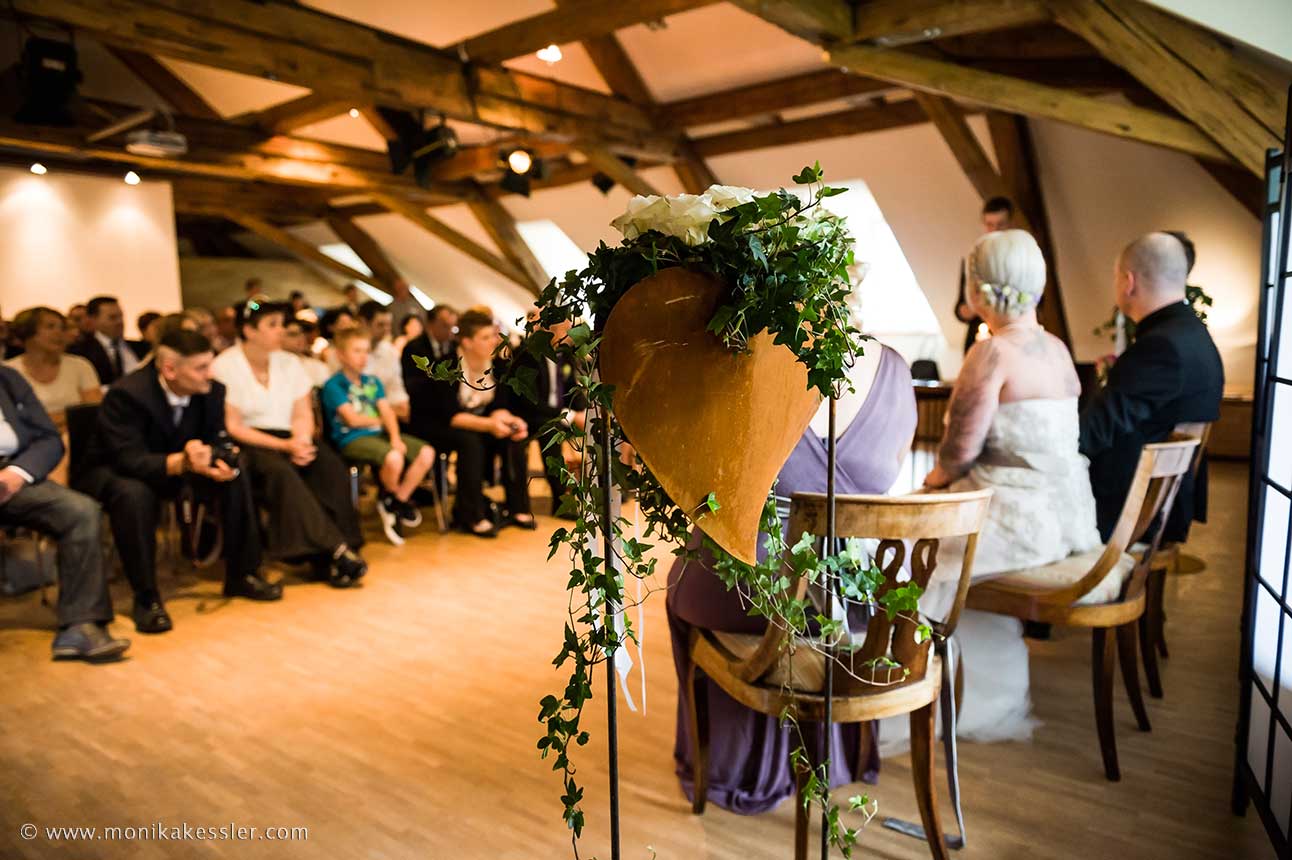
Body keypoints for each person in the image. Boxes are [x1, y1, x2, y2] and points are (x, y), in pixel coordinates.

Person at [668, 340, 916, 812]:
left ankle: (736, 765)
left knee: (683, 583)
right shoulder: (895, 370)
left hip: (759, 592)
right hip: (862, 595)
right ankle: (835, 762)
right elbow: (893, 472)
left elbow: (706, 477)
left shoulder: (743, 364)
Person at [919, 228, 1100, 743]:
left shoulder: (992, 352)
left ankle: (914, 689)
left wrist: (930, 487)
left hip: (1017, 523)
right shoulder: (1060, 350)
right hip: (1068, 517)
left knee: (911, 549)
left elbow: (959, 450)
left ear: (979, 290)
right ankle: (988, 688)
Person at [75, 329, 282, 634]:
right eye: (200, 368)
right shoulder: (128, 394)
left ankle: (242, 574)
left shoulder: (212, 391)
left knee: (236, 474)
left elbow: (215, 439)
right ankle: (146, 598)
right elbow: (126, 459)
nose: (209, 374)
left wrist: (215, 461)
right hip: (115, 471)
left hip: (180, 465)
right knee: (134, 495)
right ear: (170, 369)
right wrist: (182, 462)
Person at [1080, 232, 1223, 542]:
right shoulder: (1193, 335)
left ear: (1128, 282)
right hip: (1160, 500)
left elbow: (1092, 433)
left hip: (1128, 512)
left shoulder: (1160, 347)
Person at [212, 299, 367, 588]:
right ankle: (335, 551)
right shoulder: (225, 365)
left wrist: (301, 440)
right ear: (249, 330)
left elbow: (302, 411)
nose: (281, 331)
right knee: (280, 474)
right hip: (251, 441)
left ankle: (344, 550)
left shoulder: (290, 362)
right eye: (272, 325)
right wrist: (284, 447)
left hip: (291, 435)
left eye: (281, 324)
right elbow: (233, 425)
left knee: (329, 466)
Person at [0, 365, 129, 661]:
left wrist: (17, 473)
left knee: (80, 510)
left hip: (11, 475)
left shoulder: (7, 378)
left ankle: (81, 625)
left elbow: (48, 437)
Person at [402, 309, 533, 537]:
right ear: (467, 341)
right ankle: (471, 515)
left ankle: (518, 507)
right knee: (470, 441)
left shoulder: (497, 365)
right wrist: (490, 426)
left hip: (474, 420)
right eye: (486, 337)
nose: (494, 341)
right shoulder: (447, 366)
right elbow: (452, 415)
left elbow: (499, 406)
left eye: (494, 335)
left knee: (513, 438)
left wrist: (511, 421)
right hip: (437, 424)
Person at [321, 328, 435, 546]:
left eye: (366, 351)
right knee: (394, 458)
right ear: (341, 355)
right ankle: (392, 497)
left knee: (426, 452)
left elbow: (387, 411)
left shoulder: (372, 382)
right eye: (357, 351)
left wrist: (395, 437)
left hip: (379, 435)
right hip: (351, 439)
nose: (363, 357)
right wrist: (384, 423)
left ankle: (394, 500)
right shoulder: (333, 385)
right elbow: (352, 420)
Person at [510, 307, 585, 513]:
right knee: (550, 430)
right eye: (565, 329)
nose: (570, 334)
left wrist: (584, 412)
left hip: (555, 414)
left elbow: (572, 389)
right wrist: (569, 415)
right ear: (550, 330)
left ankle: (597, 489)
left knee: (593, 424)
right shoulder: (526, 354)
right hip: (529, 416)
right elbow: (529, 400)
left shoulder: (564, 355)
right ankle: (561, 499)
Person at [6, 307, 101, 432]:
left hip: (76, 438)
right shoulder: (7, 371)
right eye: (50, 327)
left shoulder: (81, 365)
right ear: (28, 332)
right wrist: (69, 416)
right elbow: (10, 421)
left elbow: (93, 411)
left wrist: (37, 420)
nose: (59, 333)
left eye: (62, 328)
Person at [954, 196, 1013, 354]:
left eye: (1000, 224)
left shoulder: (1018, 260)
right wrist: (968, 310)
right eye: (990, 225)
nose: (994, 231)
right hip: (978, 340)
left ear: (1010, 224)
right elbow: (960, 308)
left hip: (1008, 340)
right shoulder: (974, 259)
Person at [67, 295, 148, 386]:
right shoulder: (81, 351)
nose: (119, 322)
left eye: (121, 316)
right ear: (93, 320)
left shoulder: (142, 347)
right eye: (112, 318)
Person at [358, 301, 410, 422]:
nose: (386, 330)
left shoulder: (390, 352)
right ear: (363, 322)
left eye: (388, 325)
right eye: (380, 325)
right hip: (362, 418)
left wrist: (401, 405)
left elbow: (396, 389)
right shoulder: (347, 353)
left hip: (389, 415)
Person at [283, 316, 332, 387]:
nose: (300, 338)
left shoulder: (318, 367)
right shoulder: (273, 367)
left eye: (302, 333)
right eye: (293, 334)